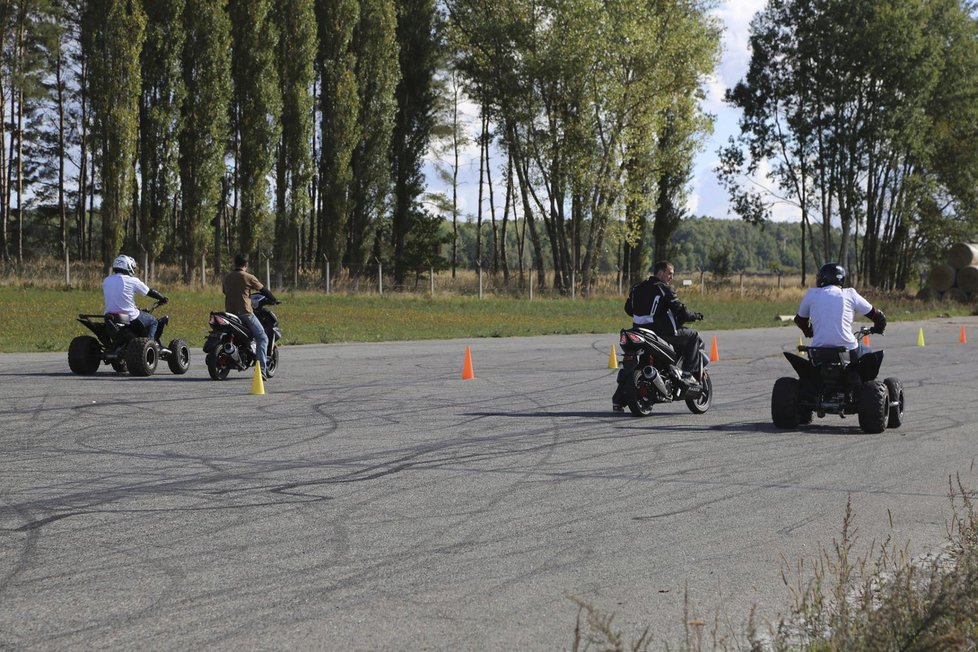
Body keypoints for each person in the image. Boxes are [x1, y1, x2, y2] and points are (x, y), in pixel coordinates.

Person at [625, 260, 706, 381]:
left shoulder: (637, 288)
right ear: (661, 273)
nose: (671, 277)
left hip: (638, 331)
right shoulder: (664, 289)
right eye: (670, 273)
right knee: (693, 335)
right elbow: (680, 311)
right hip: (660, 333)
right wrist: (695, 316)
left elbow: (628, 309)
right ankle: (688, 374)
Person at [794, 262, 886, 359]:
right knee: (867, 352)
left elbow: (800, 320)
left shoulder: (812, 294)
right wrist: (878, 328)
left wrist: (809, 331)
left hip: (819, 351)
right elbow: (878, 316)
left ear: (823, 277)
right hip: (849, 350)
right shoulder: (850, 294)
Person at [223, 253, 278, 379]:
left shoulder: (227, 277)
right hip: (245, 313)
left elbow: (225, 291)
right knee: (263, 338)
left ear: (235, 264)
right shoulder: (248, 277)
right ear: (246, 264)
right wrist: (274, 299)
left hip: (229, 314)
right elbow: (263, 290)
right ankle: (262, 371)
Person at [102, 254, 167, 340]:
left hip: (110, 316)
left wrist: (137, 308)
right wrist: (162, 298)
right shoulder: (132, 281)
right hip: (130, 316)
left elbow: (120, 298)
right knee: (153, 321)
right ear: (128, 266)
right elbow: (149, 291)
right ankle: (150, 345)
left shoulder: (107, 280)